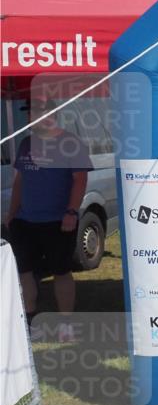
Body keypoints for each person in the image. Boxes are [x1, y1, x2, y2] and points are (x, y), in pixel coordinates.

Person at [3, 97, 92, 318]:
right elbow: (20, 181)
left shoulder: (70, 143)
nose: (31, 117)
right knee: (24, 271)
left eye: (37, 112)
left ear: (53, 115)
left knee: (61, 272)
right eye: (30, 113)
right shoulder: (26, 143)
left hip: (58, 221)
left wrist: (71, 212)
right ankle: (30, 318)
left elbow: (80, 179)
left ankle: (66, 321)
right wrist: (11, 214)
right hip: (25, 221)